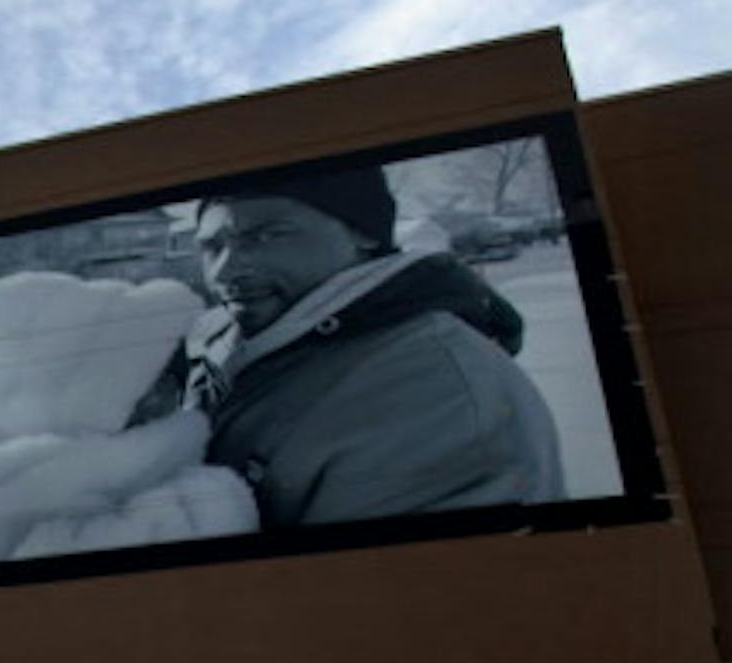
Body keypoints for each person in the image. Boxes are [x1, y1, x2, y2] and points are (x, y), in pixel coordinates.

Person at [161, 165, 565, 528]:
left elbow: (365, 596)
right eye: (211, 247)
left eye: (268, 235)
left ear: (365, 233)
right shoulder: (217, 341)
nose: (226, 270)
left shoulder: (434, 391)